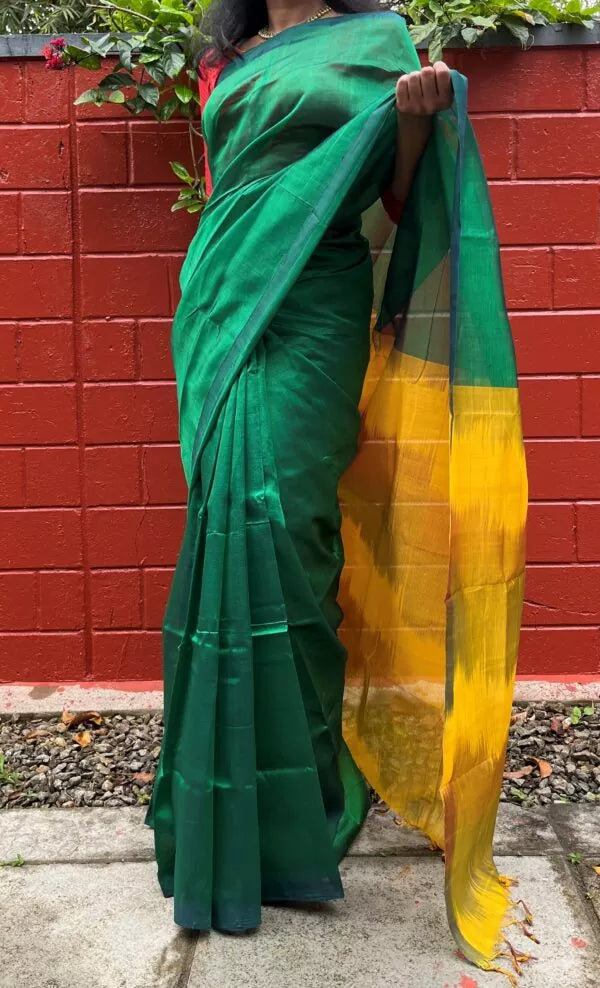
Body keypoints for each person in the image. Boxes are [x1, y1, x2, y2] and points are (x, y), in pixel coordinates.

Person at [144, 1, 529, 979]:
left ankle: (306, 802)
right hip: (222, 301)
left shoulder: (379, 42)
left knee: (288, 527)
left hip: (317, 301)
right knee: (222, 521)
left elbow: (397, 200)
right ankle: (220, 803)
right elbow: (234, 187)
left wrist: (413, 120)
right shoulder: (223, 53)